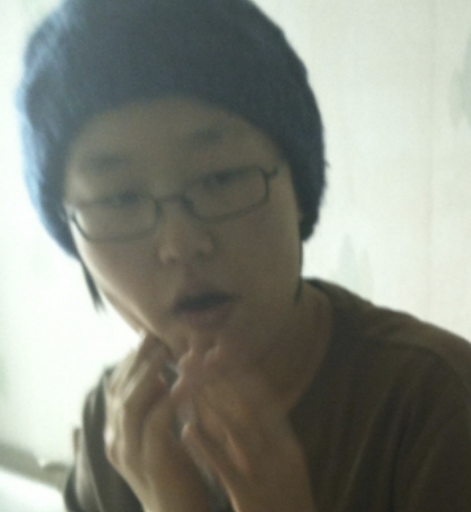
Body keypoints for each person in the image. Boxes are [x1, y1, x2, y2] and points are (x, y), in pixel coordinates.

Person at [16, 0, 471, 511]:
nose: (179, 244)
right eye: (119, 199)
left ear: (299, 191)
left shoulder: (437, 404)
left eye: (220, 178)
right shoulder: (116, 424)